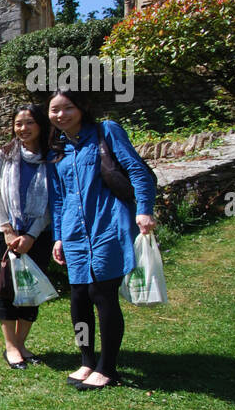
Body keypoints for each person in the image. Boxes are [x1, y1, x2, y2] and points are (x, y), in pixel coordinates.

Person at [45, 91, 157, 390]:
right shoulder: (57, 150)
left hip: (107, 223)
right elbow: (58, 199)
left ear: (82, 108)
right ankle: (86, 360)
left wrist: (144, 209)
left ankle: (108, 368)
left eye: (68, 108)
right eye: (55, 109)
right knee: (79, 297)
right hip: (73, 231)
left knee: (101, 292)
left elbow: (138, 172)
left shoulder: (106, 132)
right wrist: (58, 237)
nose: (61, 115)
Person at [0, 104, 54, 370]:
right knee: (7, 290)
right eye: (18, 123)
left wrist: (31, 236)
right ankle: (11, 347)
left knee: (31, 291)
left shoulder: (51, 158)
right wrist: (9, 231)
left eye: (29, 123)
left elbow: (52, 202)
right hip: (4, 234)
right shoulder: (1, 157)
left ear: (40, 126)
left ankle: (22, 343)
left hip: (38, 235)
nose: (23, 129)